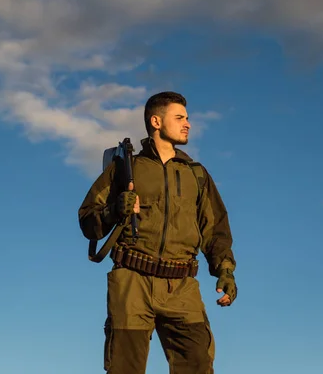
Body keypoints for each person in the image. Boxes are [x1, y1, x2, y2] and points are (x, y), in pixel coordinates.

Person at [78, 91, 238, 374]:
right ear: (156, 121)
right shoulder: (125, 169)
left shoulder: (196, 175)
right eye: (179, 118)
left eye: (187, 118)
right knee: (124, 368)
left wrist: (225, 271)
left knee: (198, 366)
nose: (188, 123)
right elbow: (88, 220)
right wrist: (115, 209)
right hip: (132, 282)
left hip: (182, 286)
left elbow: (216, 229)